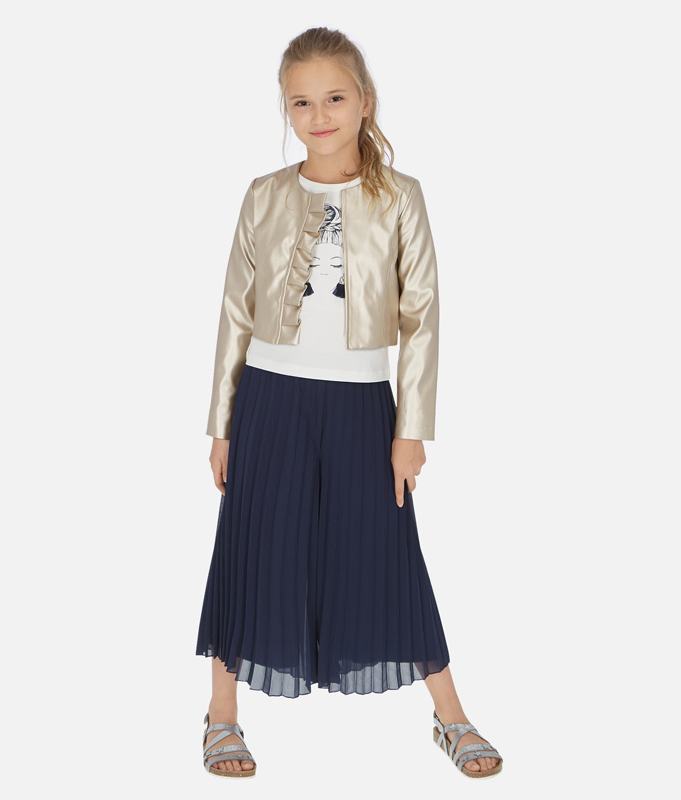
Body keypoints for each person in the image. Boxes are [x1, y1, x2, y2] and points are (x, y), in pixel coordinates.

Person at [195, 26, 503, 780]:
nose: (318, 114)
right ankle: (221, 715)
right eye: (301, 101)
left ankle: (451, 715)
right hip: (268, 400)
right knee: (251, 547)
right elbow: (234, 313)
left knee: (389, 551)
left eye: (334, 97)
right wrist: (221, 426)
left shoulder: (401, 197)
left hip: (363, 404)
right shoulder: (264, 195)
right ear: (286, 109)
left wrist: (411, 429)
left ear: (365, 101)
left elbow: (422, 315)